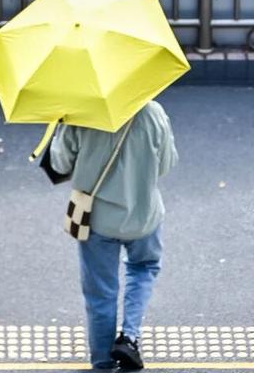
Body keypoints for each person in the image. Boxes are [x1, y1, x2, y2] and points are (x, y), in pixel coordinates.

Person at [50, 100, 178, 372]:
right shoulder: (153, 113)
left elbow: (59, 163)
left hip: (96, 221)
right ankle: (129, 337)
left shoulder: (79, 114)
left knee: (100, 294)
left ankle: (103, 364)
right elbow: (166, 165)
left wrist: (59, 124)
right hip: (144, 217)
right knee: (144, 268)